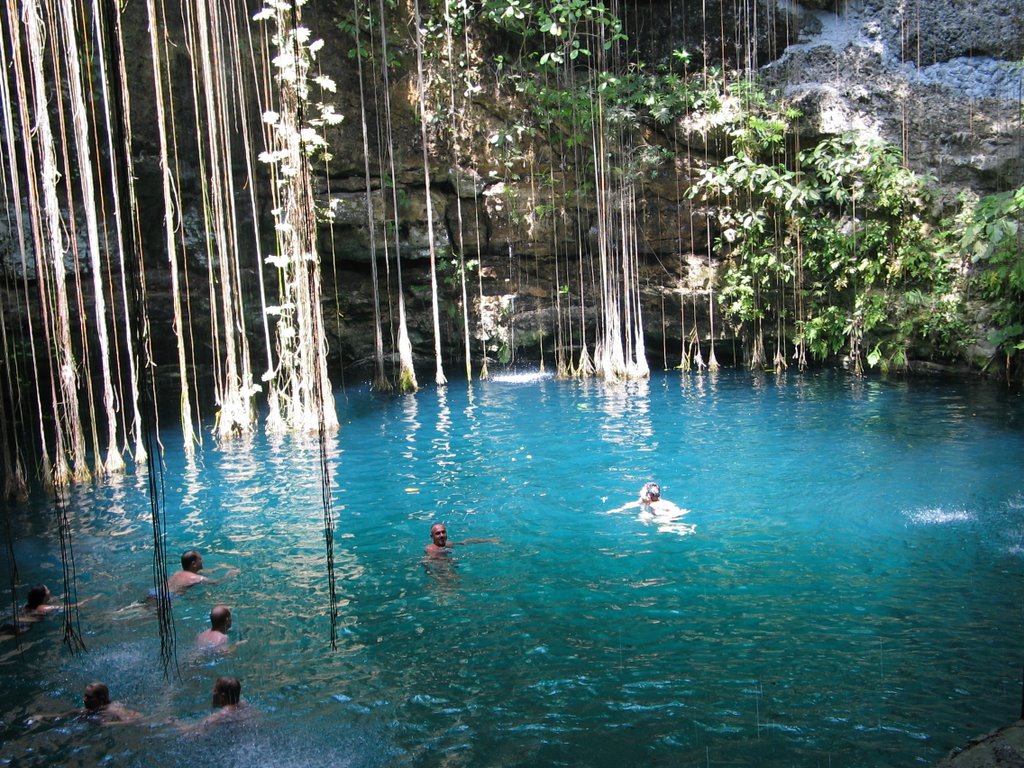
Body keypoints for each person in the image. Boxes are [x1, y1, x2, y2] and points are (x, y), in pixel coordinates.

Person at [182, 676, 251, 732]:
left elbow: (190, 731)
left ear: (222, 696)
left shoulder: (220, 715)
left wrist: (173, 722)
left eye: (215, 691)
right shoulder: (244, 704)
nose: (213, 694)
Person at [164, 550, 239, 596]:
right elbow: (217, 583)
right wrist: (229, 575)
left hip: (156, 592)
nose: (202, 561)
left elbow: (197, 573)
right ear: (194, 564)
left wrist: (216, 569)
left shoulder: (177, 573)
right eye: (200, 559)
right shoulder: (197, 578)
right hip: (168, 597)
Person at [423, 523, 498, 558]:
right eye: (438, 533)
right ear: (432, 537)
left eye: (443, 532)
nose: (442, 535)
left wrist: (489, 540)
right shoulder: (431, 549)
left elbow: (466, 542)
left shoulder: (448, 544)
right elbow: (427, 562)